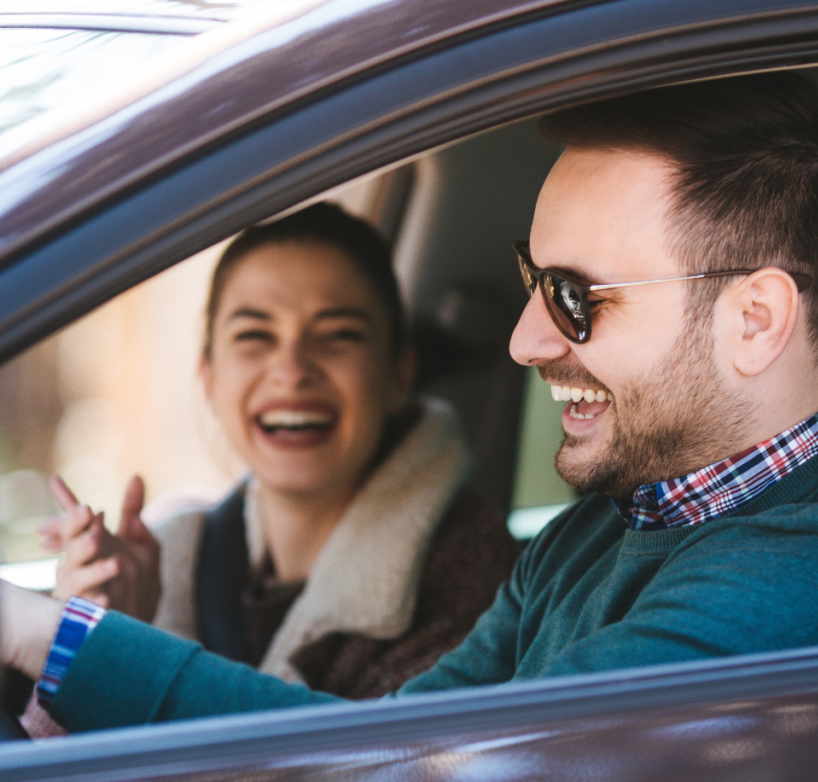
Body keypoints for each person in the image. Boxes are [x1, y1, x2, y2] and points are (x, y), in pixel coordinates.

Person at [0, 73, 818, 733]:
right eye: (530, 280)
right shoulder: (605, 527)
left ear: (754, 320)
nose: (525, 339)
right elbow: (384, 744)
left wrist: (40, 635)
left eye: (575, 296)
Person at [28, 204, 520, 722]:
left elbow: (339, 771)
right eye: (254, 336)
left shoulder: (477, 586)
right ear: (209, 378)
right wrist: (95, 632)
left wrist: (107, 664)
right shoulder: (177, 557)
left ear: (398, 375)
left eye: (338, 335)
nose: (291, 370)